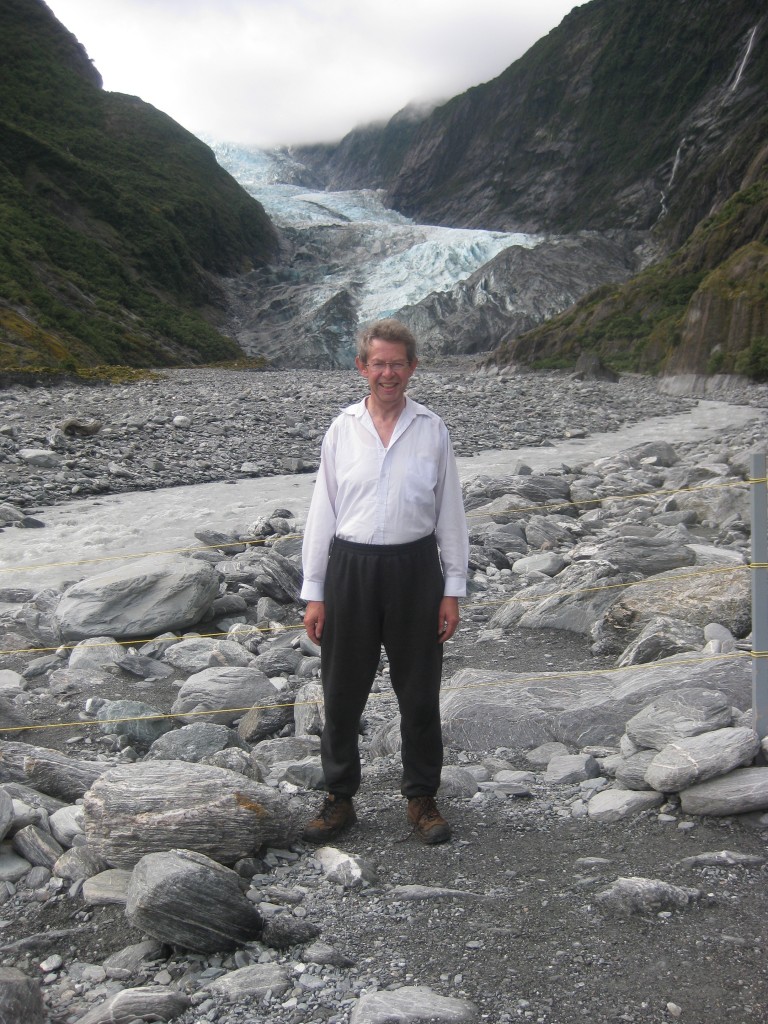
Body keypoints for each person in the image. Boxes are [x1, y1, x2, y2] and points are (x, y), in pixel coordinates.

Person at [300, 318, 469, 845]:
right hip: (350, 569)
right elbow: (321, 512)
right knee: (341, 692)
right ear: (362, 367)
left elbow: (451, 513)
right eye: (379, 363)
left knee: (419, 692)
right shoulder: (341, 429)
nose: (388, 373)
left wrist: (452, 589)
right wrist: (314, 592)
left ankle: (421, 798)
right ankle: (339, 798)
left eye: (398, 363)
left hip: (416, 570)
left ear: (412, 368)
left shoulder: (432, 430)